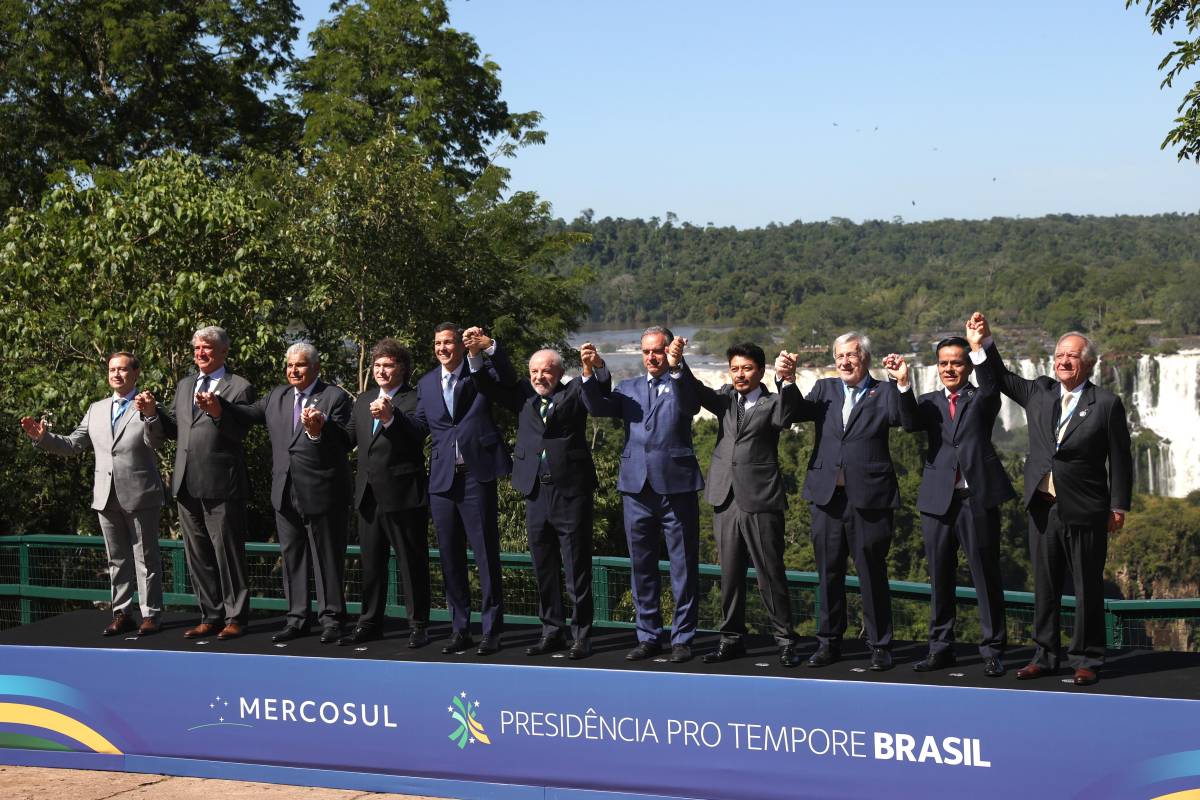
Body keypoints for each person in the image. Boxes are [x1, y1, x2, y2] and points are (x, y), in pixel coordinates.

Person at [969, 312, 1131, 686]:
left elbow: (1121, 459)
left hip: (1086, 508)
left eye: (1072, 355)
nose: (1063, 361)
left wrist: (1118, 506)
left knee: (1087, 588)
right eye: (1059, 355)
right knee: (1044, 586)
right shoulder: (1039, 392)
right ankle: (1044, 656)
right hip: (1043, 506)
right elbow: (1001, 377)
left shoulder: (1106, 403)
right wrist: (984, 342)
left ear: (1088, 363)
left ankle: (1087, 659)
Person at [200, 343, 353, 644]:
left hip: (322, 493)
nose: (293, 370)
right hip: (284, 492)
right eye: (290, 365)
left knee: (327, 560)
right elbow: (246, 413)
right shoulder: (277, 396)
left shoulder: (334, 397)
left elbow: (346, 439)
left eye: (300, 365)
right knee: (292, 558)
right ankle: (297, 619)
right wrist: (218, 404)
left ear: (315, 368)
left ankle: (332, 619)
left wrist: (320, 429)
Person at [775, 333, 909, 671]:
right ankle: (828, 643)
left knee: (872, 574)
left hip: (870, 500)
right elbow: (792, 413)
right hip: (826, 499)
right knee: (828, 573)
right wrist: (786, 381)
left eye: (851, 355)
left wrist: (903, 384)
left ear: (865, 358)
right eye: (839, 356)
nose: (845, 362)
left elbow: (905, 420)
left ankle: (880, 646)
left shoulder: (885, 392)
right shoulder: (825, 389)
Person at [470, 338, 606, 660]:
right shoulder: (524, 396)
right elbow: (485, 384)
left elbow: (598, 392)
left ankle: (581, 635)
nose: (539, 377)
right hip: (534, 491)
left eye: (545, 371)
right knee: (543, 567)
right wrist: (479, 353)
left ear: (559, 372)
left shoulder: (575, 390)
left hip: (570, 493)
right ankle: (551, 631)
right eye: (534, 371)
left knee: (576, 569)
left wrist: (595, 367)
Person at [580, 327, 704, 663]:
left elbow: (692, 404)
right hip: (636, 488)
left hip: (677, 487)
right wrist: (592, 370)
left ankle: (682, 638)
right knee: (641, 567)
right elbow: (597, 406)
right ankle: (648, 636)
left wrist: (678, 367)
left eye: (658, 351)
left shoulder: (682, 382)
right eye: (646, 351)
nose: (651, 357)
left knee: (683, 567)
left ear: (669, 351)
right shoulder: (628, 387)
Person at [21, 352, 166, 636]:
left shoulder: (148, 405)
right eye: (112, 369)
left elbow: (156, 441)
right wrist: (43, 438)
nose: (116, 374)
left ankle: (151, 615)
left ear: (136, 373)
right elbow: (73, 444)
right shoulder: (96, 409)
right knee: (116, 559)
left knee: (146, 559)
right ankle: (122, 613)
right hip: (105, 495)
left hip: (140, 495)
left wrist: (150, 414)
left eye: (122, 369)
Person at [898, 335, 1014, 677]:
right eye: (944, 363)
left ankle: (993, 650)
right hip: (937, 501)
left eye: (957, 362)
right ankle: (940, 648)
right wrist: (903, 385)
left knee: (985, 576)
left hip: (976, 498)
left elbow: (991, 384)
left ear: (968, 366)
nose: (950, 368)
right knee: (939, 577)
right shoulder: (929, 402)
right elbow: (908, 423)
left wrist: (979, 349)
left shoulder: (982, 397)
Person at [138, 326, 254, 640]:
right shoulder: (185, 384)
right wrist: (152, 413)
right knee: (198, 555)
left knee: (227, 554)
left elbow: (239, 431)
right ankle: (211, 615)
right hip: (186, 482)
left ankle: (235, 617)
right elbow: (175, 429)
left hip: (221, 483)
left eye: (207, 347)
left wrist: (218, 413)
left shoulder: (239, 387)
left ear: (224, 351)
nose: (200, 353)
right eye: (196, 348)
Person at [695, 343, 805, 668]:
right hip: (725, 497)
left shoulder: (773, 402)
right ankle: (730, 638)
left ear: (760, 371)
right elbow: (697, 392)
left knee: (770, 573)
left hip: (760, 498)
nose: (740, 374)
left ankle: (785, 641)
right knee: (729, 574)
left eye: (746, 368)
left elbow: (787, 416)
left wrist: (787, 381)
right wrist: (677, 365)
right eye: (735, 369)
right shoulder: (725, 398)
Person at [412, 323, 515, 656]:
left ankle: (491, 630)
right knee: (450, 557)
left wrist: (488, 346)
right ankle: (460, 629)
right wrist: (389, 419)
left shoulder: (479, 372)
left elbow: (508, 379)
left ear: (460, 345)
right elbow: (419, 425)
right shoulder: (427, 383)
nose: (442, 348)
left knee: (485, 555)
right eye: (437, 343)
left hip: (476, 475)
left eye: (448, 342)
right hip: (442, 479)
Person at [337, 338, 431, 648]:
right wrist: (318, 429)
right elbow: (347, 438)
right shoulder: (364, 399)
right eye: (377, 365)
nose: (380, 370)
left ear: (402, 368)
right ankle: (369, 623)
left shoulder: (415, 398)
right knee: (372, 564)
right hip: (368, 495)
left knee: (411, 563)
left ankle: (418, 625)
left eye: (387, 365)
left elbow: (418, 433)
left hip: (403, 494)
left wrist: (391, 416)